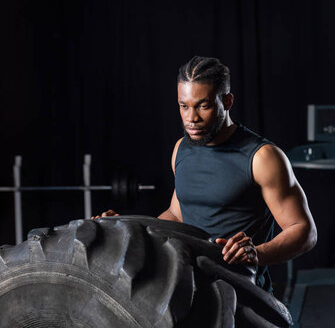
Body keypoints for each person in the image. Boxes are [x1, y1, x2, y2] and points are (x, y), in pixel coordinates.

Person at [96, 56, 317, 290]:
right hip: (186, 287)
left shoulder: (263, 157)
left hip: (242, 294)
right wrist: (126, 227)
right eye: (184, 106)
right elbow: (176, 215)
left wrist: (257, 254)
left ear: (227, 101)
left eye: (204, 106)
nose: (192, 118)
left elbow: (303, 230)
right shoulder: (181, 149)